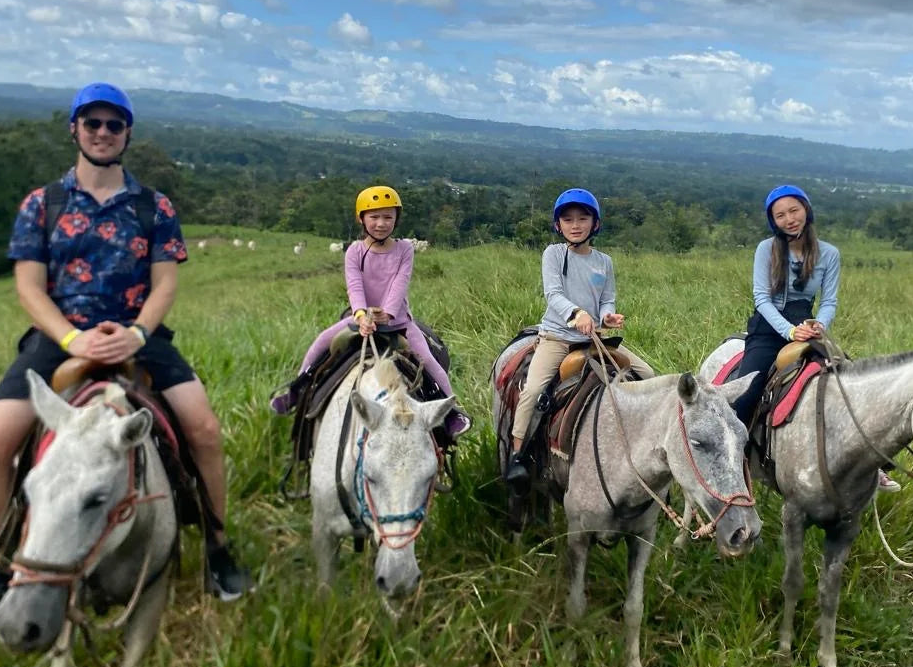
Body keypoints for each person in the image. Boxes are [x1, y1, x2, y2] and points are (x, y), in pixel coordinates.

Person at [0, 82, 251, 633]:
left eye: (113, 125)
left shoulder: (153, 206)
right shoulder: (43, 203)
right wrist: (73, 340)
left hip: (138, 335)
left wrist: (138, 334)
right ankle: (0, 568)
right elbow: (29, 287)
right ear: (74, 129)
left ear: (127, 134)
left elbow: (165, 283)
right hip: (59, 337)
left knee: (204, 430)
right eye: (91, 123)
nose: (102, 133)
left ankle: (217, 546)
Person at [728, 184, 898, 492]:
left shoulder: (829, 254)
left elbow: (829, 300)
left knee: (846, 379)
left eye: (794, 210)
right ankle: (731, 456)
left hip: (808, 326)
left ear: (806, 210)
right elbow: (761, 297)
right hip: (769, 328)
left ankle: (872, 464)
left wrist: (819, 324)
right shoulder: (766, 249)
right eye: (780, 215)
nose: (789, 219)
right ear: (773, 221)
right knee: (746, 391)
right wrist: (789, 331)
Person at [272, 186, 470, 439]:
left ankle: (452, 412)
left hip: (398, 323)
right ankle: (296, 391)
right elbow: (354, 286)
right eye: (374, 217)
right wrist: (360, 315)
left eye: (388, 217)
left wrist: (387, 314)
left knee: (429, 361)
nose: (381, 223)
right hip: (361, 320)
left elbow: (400, 283)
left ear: (396, 219)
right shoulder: (355, 251)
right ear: (362, 218)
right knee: (320, 343)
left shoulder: (404, 249)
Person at [504, 188, 654, 489]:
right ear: (558, 225)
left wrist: (607, 316)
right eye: (568, 219)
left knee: (648, 375)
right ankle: (517, 455)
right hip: (558, 337)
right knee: (533, 390)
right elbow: (553, 294)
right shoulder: (553, 254)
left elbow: (607, 298)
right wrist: (577, 313)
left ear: (595, 224)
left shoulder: (604, 261)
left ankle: (648, 446)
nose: (575, 225)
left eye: (583, 218)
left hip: (594, 339)